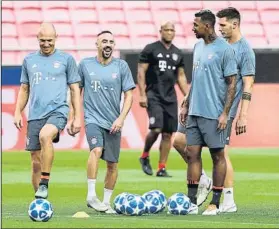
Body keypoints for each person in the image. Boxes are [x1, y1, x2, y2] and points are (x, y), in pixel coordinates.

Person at [13, 22, 81, 199]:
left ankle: (44, 182)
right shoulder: (29, 60)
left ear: (56, 38)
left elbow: (74, 89)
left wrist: (76, 117)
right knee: (35, 161)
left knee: (45, 136)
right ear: (37, 39)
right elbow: (24, 89)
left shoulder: (67, 60)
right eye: (42, 40)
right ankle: (39, 200)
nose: (46, 44)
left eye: (49, 40)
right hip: (35, 114)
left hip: (58, 111)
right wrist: (17, 111)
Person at [179, 10, 237, 215]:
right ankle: (192, 202)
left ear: (207, 26)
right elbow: (196, 78)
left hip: (214, 114)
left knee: (217, 156)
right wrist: (186, 103)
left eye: (195, 25)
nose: (193, 28)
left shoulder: (225, 50)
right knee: (191, 153)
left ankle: (215, 203)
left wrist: (225, 113)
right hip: (195, 111)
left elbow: (232, 84)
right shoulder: (197, 47)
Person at [72, 31, 135, 213]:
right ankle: (91, 195)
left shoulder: (121, 66)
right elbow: (76, 91)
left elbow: (129, 94)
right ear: (97, 44)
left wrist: (121, 118)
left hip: (113, 122)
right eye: (104, 41)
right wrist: (75, 116)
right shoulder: (85, 64)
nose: (108, 44)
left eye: (111, 42)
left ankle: (106, 203)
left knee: (112, 164)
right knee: (96, 150)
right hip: (92, 119)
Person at [216, 7, 256, 213]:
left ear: (235, 24)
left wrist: (243, 115)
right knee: (182, 142)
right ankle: (205, 181)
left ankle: (229, 200)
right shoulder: (220, 45)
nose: (219, 28)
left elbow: (248, 84)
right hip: (208, 106)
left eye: (222, 25)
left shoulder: (245, 50)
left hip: (226, 110)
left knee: (221, 153)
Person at [137, 21, 188, 177]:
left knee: (167, 134)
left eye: (172, 30)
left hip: (170, 97)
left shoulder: (177, 53)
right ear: (161, 31)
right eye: (166, 30)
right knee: (156, 129)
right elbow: (141, 71)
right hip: (153, 95)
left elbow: (180, 76)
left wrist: (188, 96)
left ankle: (162, 167)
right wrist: (142, 94)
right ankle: (144, 156)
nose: (169, 32)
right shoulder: (150, 49)